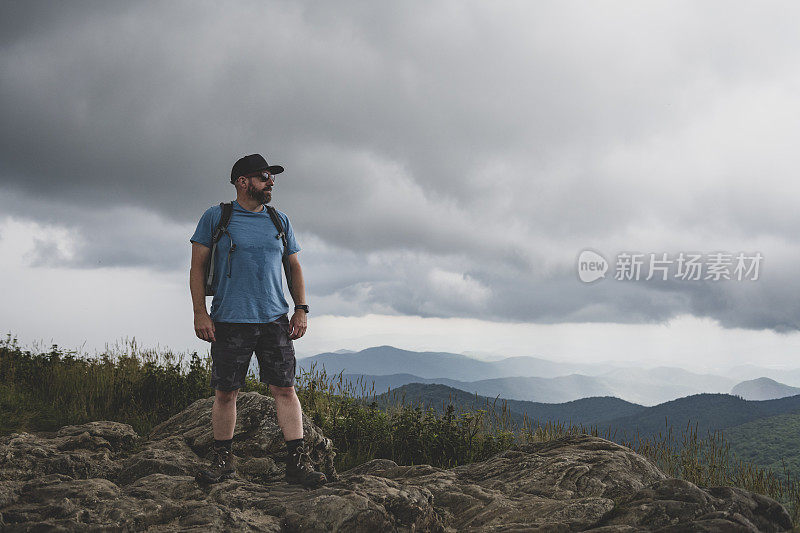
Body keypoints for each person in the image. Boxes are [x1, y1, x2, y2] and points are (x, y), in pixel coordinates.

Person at [188, 153, 326, 487]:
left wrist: (301, 309)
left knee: (285, 389)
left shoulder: (279, 221)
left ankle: (297, 464)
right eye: (264, 176)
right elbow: (196, 267)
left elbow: (294, 267)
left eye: (271, 177)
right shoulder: (216, 217)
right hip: (230, 319)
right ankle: (223, 463)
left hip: (274, 320)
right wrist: (200, 314)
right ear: (242, 182)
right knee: (226, 393)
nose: (271, 182)